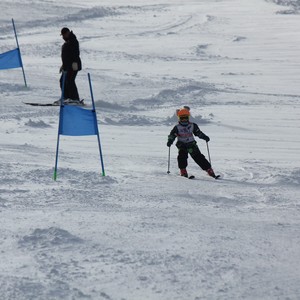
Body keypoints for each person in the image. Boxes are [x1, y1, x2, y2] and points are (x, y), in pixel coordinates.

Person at [167, 107, 217, 178]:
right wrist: (170, 141)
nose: (184, 120)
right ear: (179, 118)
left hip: (192, 145)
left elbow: (198, 133)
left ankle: (209, 169)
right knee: (182, 157)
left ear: (188, 118)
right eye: (182, 118)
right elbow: (172, 135)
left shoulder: (192, 125)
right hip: (182, 145)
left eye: (186, 118)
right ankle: (183, 170)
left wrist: (204, 137)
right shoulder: (177, 127)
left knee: (199, 157)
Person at [59, 27, 82, 102]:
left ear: (68, 33)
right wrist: (63, 65)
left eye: (64, 35)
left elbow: (76, 53)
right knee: (62, 81)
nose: (63, 37)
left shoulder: (73, 41)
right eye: (62, 35)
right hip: (67, 66)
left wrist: (75, 63)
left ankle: (74, 99)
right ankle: (66, 98)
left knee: (70, 81)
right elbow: (66, 56)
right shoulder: (67, 41)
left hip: (73, 66)